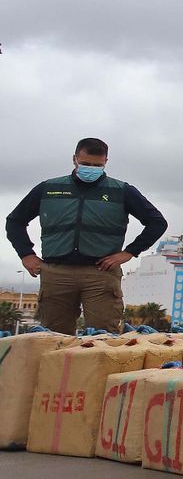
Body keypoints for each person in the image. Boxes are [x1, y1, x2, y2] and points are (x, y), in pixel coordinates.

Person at [6, 138, 168, 335]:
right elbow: (15, 221)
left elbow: (157, 222)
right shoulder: (48, 188)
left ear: (105, 162)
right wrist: (26, 254)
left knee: (104, 336)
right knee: (52, 336)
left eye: (97, 165)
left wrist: (128, 253)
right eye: (85, 164)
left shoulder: (121, 191)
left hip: (100, 274)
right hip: (57, 273)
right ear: (74, 159)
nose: (91, 169)